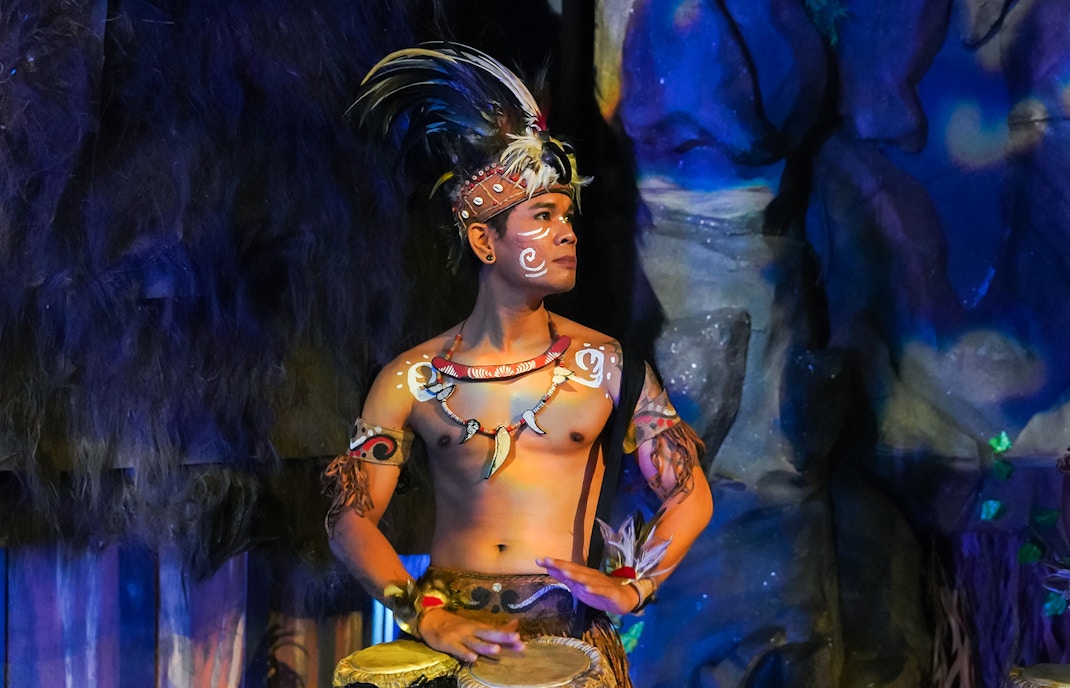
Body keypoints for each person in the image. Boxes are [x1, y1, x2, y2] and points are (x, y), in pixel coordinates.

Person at [323, 44, 712, 687]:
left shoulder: (605, 365)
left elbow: (689, 493)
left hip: (569, 645)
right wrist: (421, 614)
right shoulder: (412, 378)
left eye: (567, 215)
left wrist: (636, 587)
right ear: (484, 240)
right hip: (449, 640)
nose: (568, 232)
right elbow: (349, 518)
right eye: (542, 216)